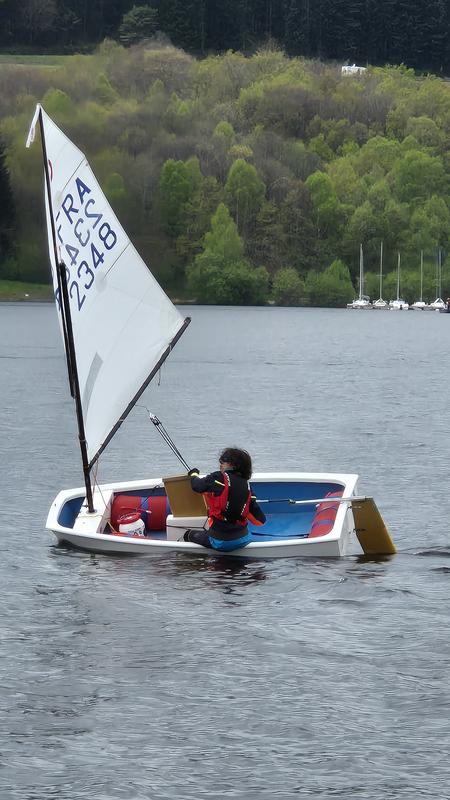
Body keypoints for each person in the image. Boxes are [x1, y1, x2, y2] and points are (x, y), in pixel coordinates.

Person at [183, 447, 266, 551]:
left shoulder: (218, 478)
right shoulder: (247, 487)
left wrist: (194, 475)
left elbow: (197, 486)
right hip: (243, 540)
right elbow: (260, 521)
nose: (220, 463)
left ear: (234, 464)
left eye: (224, 461)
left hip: (220, 542)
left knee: (188, 535)